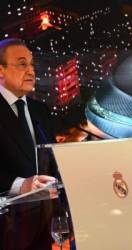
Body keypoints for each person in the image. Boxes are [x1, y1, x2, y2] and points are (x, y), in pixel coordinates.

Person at [0, 38, 58, 249]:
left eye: (32, 64)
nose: (31, 70)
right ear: (1, 70)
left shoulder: (39, 110)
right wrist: (21, 185)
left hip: (44, 223)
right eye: (22, 64)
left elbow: (51, 160)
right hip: (7, 229)